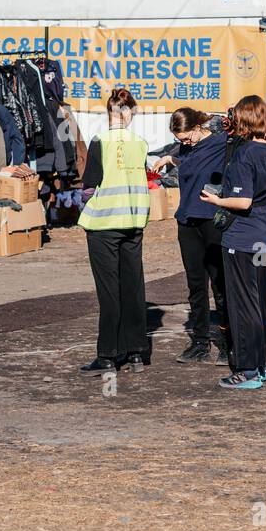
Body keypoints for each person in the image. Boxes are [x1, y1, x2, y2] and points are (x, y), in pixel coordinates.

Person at [200, 95, 266, 390]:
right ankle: (260, 363)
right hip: (265, 235)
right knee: (259, 301)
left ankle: (246, 370)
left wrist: (217, 199)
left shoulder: (244, 155)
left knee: (242, 304)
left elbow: (243, 201)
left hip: (243, 238)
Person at [78, 88, 151, 375]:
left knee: (109, 291)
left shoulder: (100, 141)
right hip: (133, 222)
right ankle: (135, 352)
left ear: (109, 112)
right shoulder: (140, 143)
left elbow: (90, 182)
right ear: (130, 112)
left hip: (104, 224)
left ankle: (108, 354)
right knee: (133, 287)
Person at [152, 107, 230, 365]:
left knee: (220, 284)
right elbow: (186, 159)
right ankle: (199, 341)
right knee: (196, 285)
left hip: (211, 220)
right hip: (188, 221)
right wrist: (169, 157)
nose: (185, 142)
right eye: (180, 139)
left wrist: (172, 159)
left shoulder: (220, 142)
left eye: (187, 137)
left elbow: (191, 163)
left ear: (198, 126)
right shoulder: (185, 148)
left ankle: (227, 342)